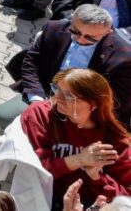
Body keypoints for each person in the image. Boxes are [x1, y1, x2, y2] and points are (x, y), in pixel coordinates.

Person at [0, 5, 131, 132]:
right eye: (75, 31)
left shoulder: (123, 56)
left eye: (90, 38)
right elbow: (31, 63)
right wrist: (37, 100)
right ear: (72, 20)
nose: (80, 40)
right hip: (44, 94)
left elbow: (118, 101)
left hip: (84, 112)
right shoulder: (54, 28)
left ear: (107, 32)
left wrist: (77, 112)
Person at [19, 68, 131, 203]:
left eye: (69, 96)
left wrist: (97, 176)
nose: (57, 98)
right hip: (37, 197)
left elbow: (125, 198)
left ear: (93, 104)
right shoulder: (40, 114)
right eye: (57, 89)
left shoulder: (115, 140)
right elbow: (32, 170)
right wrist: (79, 159)